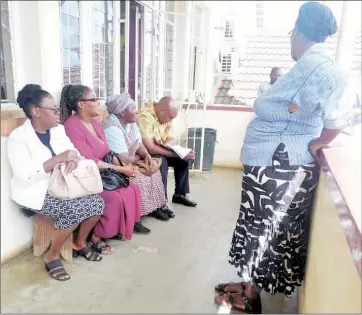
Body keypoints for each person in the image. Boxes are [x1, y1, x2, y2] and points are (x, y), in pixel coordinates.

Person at [214, 2, 355, 313]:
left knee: (268, 234)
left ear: (299, 31)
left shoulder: (324, 70)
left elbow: (337, 118)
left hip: (280, 167)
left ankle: (252, 298)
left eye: (292, 33)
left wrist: (320, 142)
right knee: (258, 228)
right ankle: (249, 284)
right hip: (273, 165)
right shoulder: (308, 67)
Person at [7, 84, 104, 281]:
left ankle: (80, 243)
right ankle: (52, 255)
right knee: (72, 211)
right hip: (35, 192)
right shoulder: (18, 138)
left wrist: (71, 158)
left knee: (98, 203)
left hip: (63, 185)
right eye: (53, 110)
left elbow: (72, 152)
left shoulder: (58, 130)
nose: (58, 113)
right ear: (36, 111)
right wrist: (57, 160)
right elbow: (23, 175)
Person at [60, 84, 150, 250]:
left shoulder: (95, 123)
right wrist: (121, 169)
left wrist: (125, 167)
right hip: (87, 175)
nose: (98, 103)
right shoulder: (72, 126)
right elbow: (89, 160)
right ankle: (95, 236)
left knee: (131, 189)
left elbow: (107, 152)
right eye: (94, 99)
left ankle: (112, 231)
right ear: (81, 104)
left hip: (104, 172)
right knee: (113, 197)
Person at [101, 93, 173, 221]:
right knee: (137, 177)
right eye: (133, 108)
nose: (136, 111)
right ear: (122, 112)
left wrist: (146, 155)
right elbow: (124, 160)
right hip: (116, 167)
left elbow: (138, 144)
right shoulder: (111, 127)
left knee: (153, 171)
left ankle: (155, 208)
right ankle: (136, 217)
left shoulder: (131, 123)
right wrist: (140, 157)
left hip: (131, 160)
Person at [137, 96, 197, 207]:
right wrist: (173, 152)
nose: (170, 121)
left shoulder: (166, 114)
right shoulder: (144, 117)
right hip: (145, 153)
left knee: (183, 160)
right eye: (170, 117)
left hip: (160, 148)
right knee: (162, 162)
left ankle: (180, 195)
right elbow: (150, 147)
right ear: (161, 111)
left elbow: (170, 138)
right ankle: (161, 202)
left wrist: (170, 148)